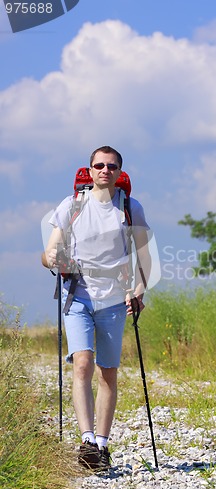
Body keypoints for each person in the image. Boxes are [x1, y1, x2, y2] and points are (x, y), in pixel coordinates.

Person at [41, 145, 151, 470]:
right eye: (99, 165)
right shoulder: (72, 205)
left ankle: (102, 445)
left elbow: (144, 256)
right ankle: (87, 440)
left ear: (119, 172)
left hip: (115, 297)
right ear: (89, 171)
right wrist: (56, 259)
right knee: (82, 363)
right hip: (77, 294)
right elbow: (48, 252)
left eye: (111, 166)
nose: (105, 170)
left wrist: (139, 289)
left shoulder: (130, 208)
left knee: (108, 371)